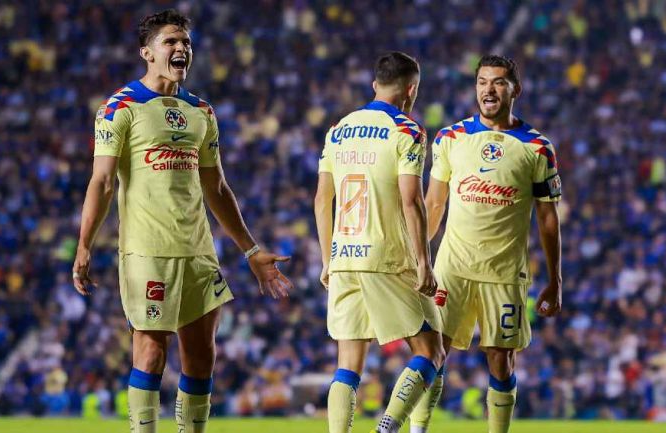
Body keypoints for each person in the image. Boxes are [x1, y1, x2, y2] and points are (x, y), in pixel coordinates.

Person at [71, 9, 292, 433]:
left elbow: (218, 188)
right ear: (147, 53)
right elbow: (101, 182)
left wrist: (251, 250)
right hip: (148, 250)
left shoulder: (201, 112)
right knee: (151, 349)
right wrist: (84, 244)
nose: (181, 49)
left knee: (201, 354)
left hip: (198, 251)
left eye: (186, 42)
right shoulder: (121, 107)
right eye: (171, 41)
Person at [410, 55, 563, 433]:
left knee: (500, 359)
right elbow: (434, 204)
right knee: (432, 352)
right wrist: (418, 260)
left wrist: (556, 279)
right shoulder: (451, 138)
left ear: (515, 90)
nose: (488, 89)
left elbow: (547, 217)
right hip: (452, 267)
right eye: (482, 81)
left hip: (504, 273)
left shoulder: (538, 148)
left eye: (497, 82)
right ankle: (416, 430)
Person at [314, 51, 445, 433]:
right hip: (387, 255)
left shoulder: (338, 129)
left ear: (375, 85)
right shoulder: (407, 129)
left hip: (343, 256)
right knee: (430, 351)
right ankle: (387, 427)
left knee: (347, 364)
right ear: (411, 89)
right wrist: (423, 261)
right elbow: (411, 200)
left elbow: (323, 199)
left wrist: (327, 259)